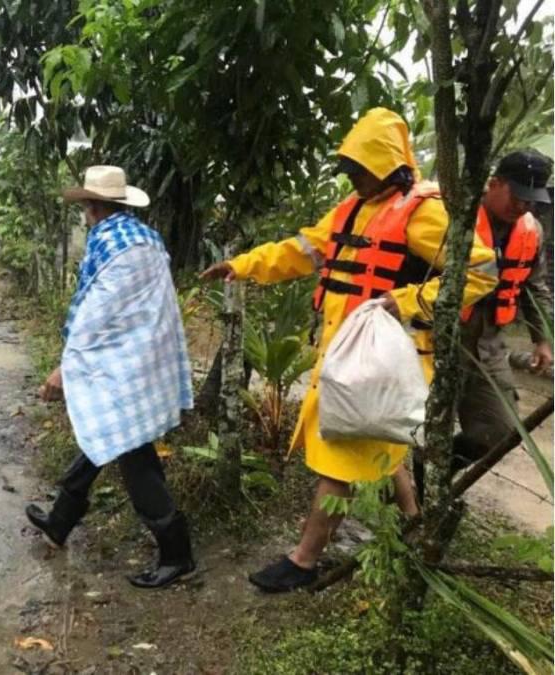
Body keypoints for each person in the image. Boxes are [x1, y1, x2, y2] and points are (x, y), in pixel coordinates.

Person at [201, 108, 498, 593]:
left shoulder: (424, 212)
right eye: (351, 169)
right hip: (346, 354)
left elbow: (481, 272)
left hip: (386, 359)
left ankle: (303, 561)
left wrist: (400, 302)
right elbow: (301, 250)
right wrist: (243, 264)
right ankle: (416, 520)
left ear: (388, 167)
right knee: (378, 439)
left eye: (361, 169)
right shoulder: (352, 209)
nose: (354, 177)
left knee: (339, 458)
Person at [25, 165, 197, 589]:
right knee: (106, 432)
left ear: (94, 206)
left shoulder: (109, 243)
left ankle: (178, 553)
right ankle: (61, 519)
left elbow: (96, 314)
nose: (85, 213)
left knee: (134, 457)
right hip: (145, 358)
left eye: (86, 206)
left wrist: (64, 368)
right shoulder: (147, 238)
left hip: (123, 366)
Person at [452, 151, 554, 469]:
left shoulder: (531, 231)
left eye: (531, 200)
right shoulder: (455, 216)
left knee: (500, 431)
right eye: (518, 196)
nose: (523, 206)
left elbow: (534, 287)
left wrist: (543, 339)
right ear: (495, 183)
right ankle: (409, 494)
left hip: (490, 344)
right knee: (423, 423)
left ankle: (432, 473)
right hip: (443, 338)